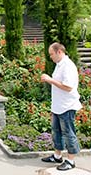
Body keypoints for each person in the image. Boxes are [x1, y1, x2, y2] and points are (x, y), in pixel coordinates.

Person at [40, 42, 82, 171]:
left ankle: (70, 160)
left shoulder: (68, 66)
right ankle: (57, 156)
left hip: (67, 106)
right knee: (56, 132)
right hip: (58, 106)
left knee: (68, 133)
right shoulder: (59, 65)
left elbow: (68, 87)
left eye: (51, 54)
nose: (50, 57)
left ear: (59, 52)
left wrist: (49, 79)